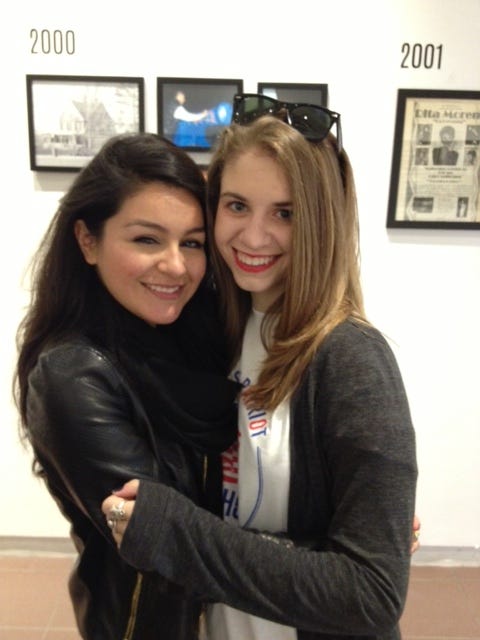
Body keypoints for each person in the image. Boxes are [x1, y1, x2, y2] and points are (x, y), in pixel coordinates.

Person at [102, 96, 418, 640]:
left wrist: (179, 534)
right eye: (237, 205)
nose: (252, 236)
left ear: (322, 221)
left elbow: (372, 594)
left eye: (286, 213)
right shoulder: (215, 330)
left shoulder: (351, 359)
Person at [14, 132, 240, 640]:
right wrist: (327, 555)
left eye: (193, 242)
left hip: (234, 615)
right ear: (88, 241)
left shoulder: (192, 337)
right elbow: (168, 543)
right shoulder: (72, 375)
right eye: (147, 239)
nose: (176, 266)